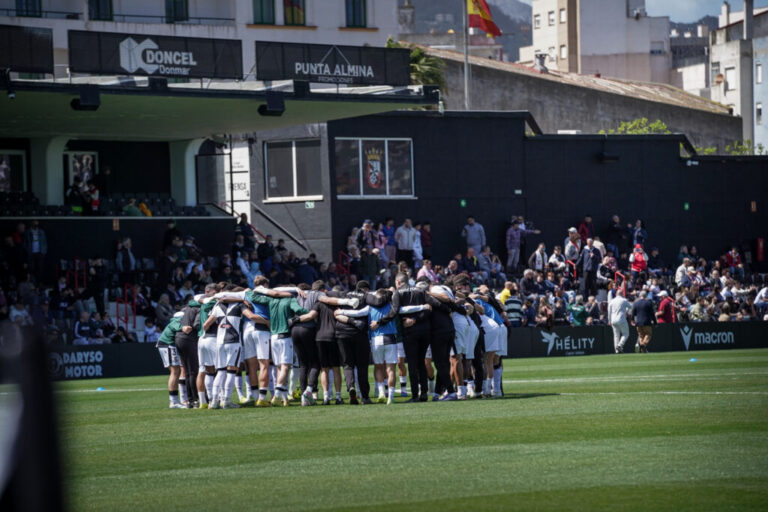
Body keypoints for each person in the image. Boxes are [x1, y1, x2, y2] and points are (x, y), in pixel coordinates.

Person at [373, 272, 431, 402]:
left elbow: (394, 312)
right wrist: (416, 319)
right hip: (425, 331)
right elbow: (428, 309)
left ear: (398, 282)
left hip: (410, 332)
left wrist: (379, 322)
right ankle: (424, 393)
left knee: (412, 363)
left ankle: (415, 395)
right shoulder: (421, 291)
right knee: (421, 362)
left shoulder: (398, 293)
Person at [155, 310, 186, 409]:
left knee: (176, 371)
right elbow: (184, 329)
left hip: (167, 345)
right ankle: (173, 402)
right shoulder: (176, 322)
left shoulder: (173, 321)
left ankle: (175, 401)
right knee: (175, 371)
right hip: (167, 346)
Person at [23, 220, 47, 284]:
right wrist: (27, 250)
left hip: (40, 252)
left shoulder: (41, 231)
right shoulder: (28, 232)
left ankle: (39, 282)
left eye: (37, 225)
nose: (36, 226)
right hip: (31, 252)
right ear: (32, 224)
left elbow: (44, 242)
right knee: (31, 268)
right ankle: (32, 282)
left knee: (40, 268)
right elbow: (25, 242)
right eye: (34, 224)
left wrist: (44, 251)